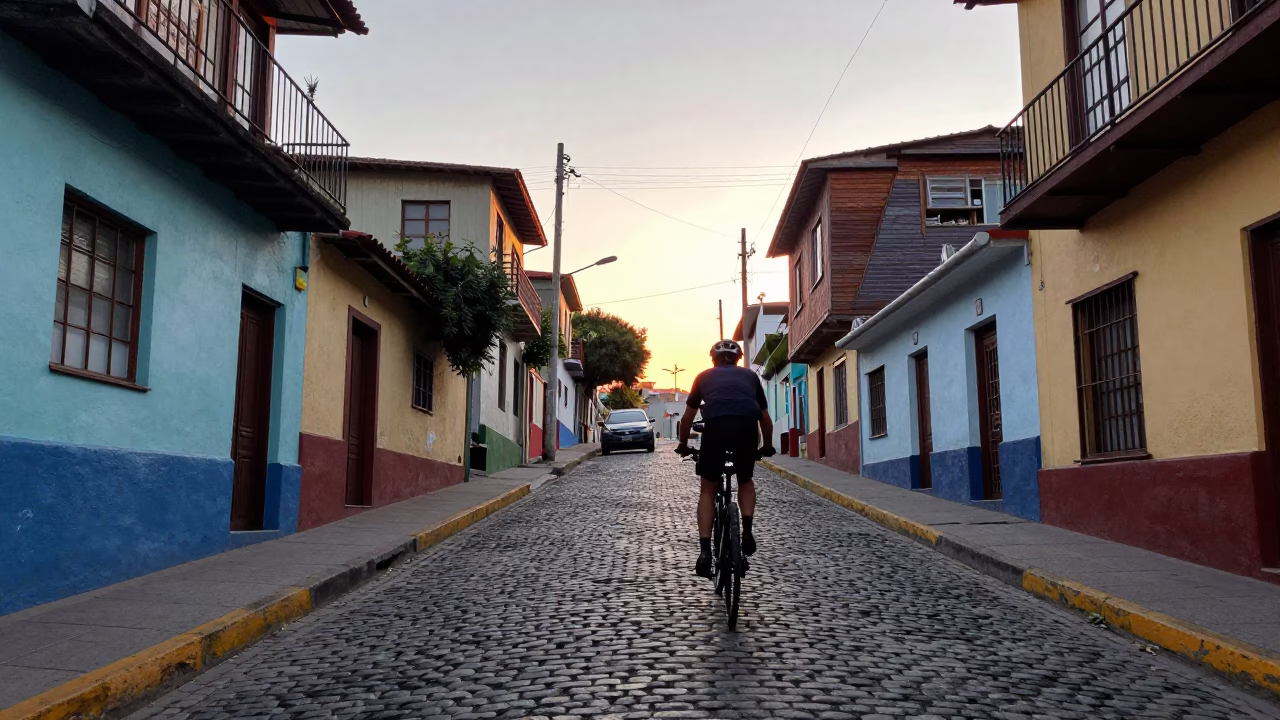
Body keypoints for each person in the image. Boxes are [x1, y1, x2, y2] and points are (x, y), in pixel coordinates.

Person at [676, 339, 775, 578]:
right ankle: (747, 530)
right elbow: (765, 420)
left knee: (708, 489)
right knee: (745, 479)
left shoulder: (703, 377)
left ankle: (704, 552)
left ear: (714, 359)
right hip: (746, 430)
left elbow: (687, 419)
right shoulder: (751, 377)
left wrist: (683, 445)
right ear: (738, 358)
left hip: (716, 430)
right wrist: (768, 446)